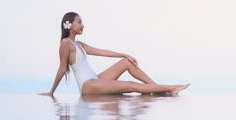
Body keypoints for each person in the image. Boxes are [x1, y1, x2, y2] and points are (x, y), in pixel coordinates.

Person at [39, 12, 189, 96]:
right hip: (88, 86)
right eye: (79, 22)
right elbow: (62, 69)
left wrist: (124, 54)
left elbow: (102, 52)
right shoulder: (65, 43)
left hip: (95, 79)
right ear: (69, 25)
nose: (82, 25)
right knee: (131, 85)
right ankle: (170, 87)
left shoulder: (79, 44)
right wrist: (51, 92)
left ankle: (157, 89)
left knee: (127, 62)